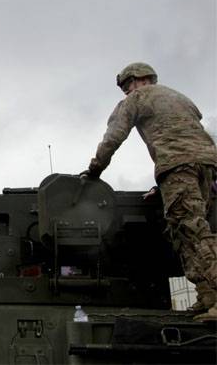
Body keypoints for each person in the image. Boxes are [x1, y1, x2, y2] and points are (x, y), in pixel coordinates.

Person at [81, 62, 217, 321]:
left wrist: (94, 169)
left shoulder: (137, 99)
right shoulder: (182, 98)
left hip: (177, 166)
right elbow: (196, 135)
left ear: (135, 80)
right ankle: (207, 296)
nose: (126, 92)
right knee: (184, 230)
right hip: (207, 166)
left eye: (125, 87)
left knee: (192, 229)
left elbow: (114, 136)